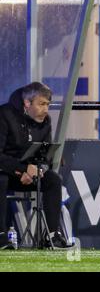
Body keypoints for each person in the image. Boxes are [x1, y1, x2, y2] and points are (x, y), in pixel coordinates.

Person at [0, 82, 69, 249]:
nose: (46, 109)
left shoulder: (45, 121)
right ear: (27, 103)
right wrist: (21, 170)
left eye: (48, 104)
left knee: (53, 179)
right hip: (6, 171)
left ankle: (52, 236)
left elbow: (45, 154)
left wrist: (38, 169)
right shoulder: (4, 115)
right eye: (42, 104)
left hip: (29, 173)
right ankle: (1, 236)